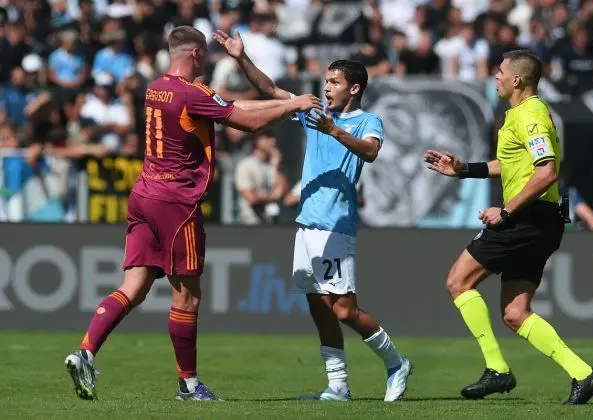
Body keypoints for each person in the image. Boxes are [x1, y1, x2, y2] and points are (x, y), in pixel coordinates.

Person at [64, 25, 322, 402]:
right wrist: (291, 105)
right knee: (187, 298)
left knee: (133, 287)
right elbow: (245, 122)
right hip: (176, 203)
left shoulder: (156, 88)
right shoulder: (191, 93)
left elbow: (230, 107)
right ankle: (188, 385)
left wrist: (283, 105)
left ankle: (85, 351)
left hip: (144, 194)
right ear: (197, 55)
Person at [213, 30, 412, 402]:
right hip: (307, 223)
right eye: (326, 81)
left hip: (336, 224)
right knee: (319, 307)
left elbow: (370, 153)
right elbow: (271, 90)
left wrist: (334, 130)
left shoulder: (367, 121)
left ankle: (396, 362)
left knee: (345, 309)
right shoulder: (314, 113)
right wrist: (241, 58)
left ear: (354, 89)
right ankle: (337, 386)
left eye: (334, 82)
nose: (327, 88)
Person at [424, 49, 593, 405]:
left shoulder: (530, 114)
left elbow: (546, 172)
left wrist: (505, 212)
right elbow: (509, 164)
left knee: (458, 281)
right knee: (515, 313)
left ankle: (497, 369)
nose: (496, 77)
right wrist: (464, 170)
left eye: (500, 72)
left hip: (526, 218)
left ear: (516, 80)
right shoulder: (520, 115)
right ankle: (583, 374)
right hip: (543, 219)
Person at [234, 130, 288, 225]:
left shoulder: (273, 164)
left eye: (273, 138)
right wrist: (272, 196)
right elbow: (251, 198)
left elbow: (283, 192)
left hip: (271, 222)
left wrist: (276, 166)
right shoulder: (246, 165)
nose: (273, 141)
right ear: (258, 141)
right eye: (267, 137)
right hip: (249, 222)